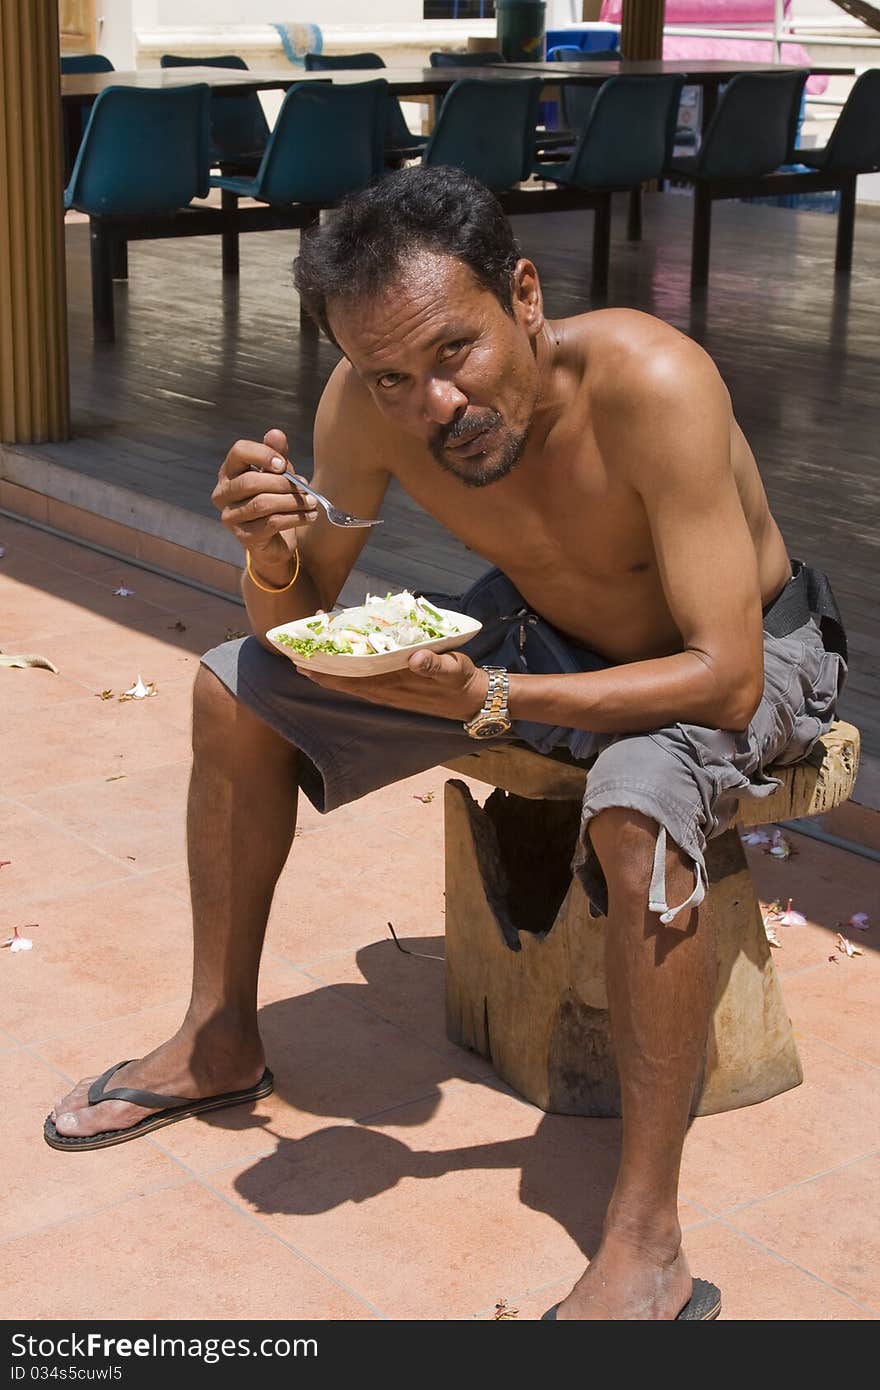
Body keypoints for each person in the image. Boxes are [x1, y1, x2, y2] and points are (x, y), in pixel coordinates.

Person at [44, 166, 847, 1320]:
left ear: (523, 294)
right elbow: (300, 626)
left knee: (637, 801)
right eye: (390, 376)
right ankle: (218, 1036)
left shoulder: (652, 382)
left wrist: (492, 700)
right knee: (236, 691)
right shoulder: (361, 404)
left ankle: (648, 1242)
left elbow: (722, 678)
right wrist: (270, 554)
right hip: (534, 645)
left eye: (453, 352)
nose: (431, 404)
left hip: (735, 654)